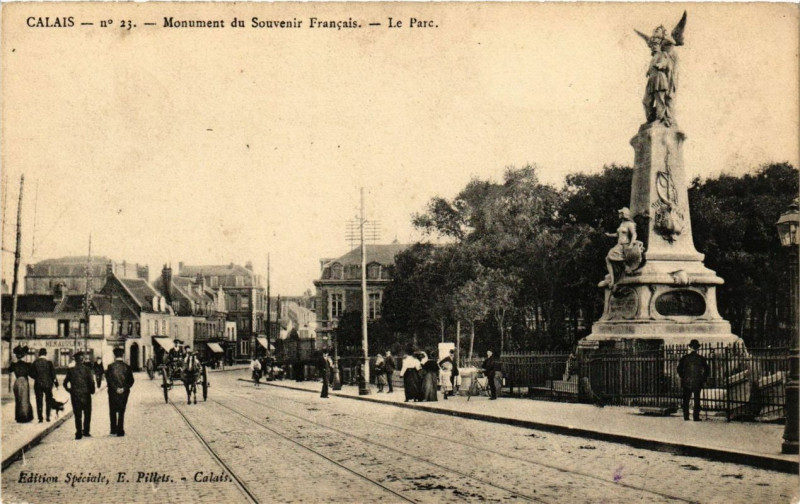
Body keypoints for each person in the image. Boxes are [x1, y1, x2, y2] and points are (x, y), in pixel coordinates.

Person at [599, 208, 644, 289]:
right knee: (608, 259)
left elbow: (634, 234)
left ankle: (616, 276)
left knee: (609, 257)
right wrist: (609, 235)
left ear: (624, 214)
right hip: (619, 245)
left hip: (625, 245)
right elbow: (617, 234)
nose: (619, 215)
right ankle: (613, 279)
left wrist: (631, 243)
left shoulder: (630, 224)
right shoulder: (622, 224)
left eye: (621, 213)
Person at [63, 351, 95, 439]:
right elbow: (91, 382)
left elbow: (65, 383)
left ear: (75, 360)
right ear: (82, 359)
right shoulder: (87, 370)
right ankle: (86, 431)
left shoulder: (71, 370)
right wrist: (92, 391)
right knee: (87, 413)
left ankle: (78, 433)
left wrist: (70, 390)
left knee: (77, 414)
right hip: (86, 395)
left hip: (75, 395)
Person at [678, 339, 710, 422]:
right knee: (696, 400)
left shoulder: (684, 358)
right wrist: (703, 378)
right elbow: (707, 370)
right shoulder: (701, 358)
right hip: (697, 381)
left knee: (686, 400)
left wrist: (683, 377)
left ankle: (686, 416)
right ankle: (696, 417)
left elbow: (679, 369)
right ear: (697, 348)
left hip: (686, 382)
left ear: (690, 347)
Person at [106, 347, 134, 436]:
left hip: (113, 392)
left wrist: (115, 388)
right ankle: (120, 430)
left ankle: (113, 430)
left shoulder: (110, 367)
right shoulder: (127, 367)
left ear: (114, 356)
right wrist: (124, 388)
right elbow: (131, 381)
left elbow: (108, 380)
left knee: (112, 410)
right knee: (122, 410)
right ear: (123, 355)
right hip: (124, 393)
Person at [32, 348, 58, 423]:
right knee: (48, 400)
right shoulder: (49, 363)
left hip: (38, 384)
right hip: (48, 384)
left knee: (39, 401)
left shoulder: (35, 362)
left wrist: (36, 377)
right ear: (45, 354)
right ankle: (48, 417)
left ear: (39, 354)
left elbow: (31, 373)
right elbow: (53, 374)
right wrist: (56, 384)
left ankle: (40, 418)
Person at [11, 346, 34, 423]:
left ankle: (19, 417)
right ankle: (26, 416)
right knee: (25, 399)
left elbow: (9, 370)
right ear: (24, 356)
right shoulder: (27, 365)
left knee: (18, 399)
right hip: (24, 381)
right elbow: (31, 374)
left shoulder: (14, 365)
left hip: (17, 382)